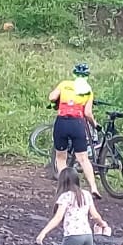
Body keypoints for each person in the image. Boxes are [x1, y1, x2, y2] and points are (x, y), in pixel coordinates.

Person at [47, 63, 98, 196]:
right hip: (77, 124)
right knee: (83, 159)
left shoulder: (64, 84)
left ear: (74, 75)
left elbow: (52, 97)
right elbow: (87, 113)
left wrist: (57, 100)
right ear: (87, 76)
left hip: (62, 122)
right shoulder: (88, 91)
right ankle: (93, 188)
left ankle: (65, 188)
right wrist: (94, 124)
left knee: (61, 157)